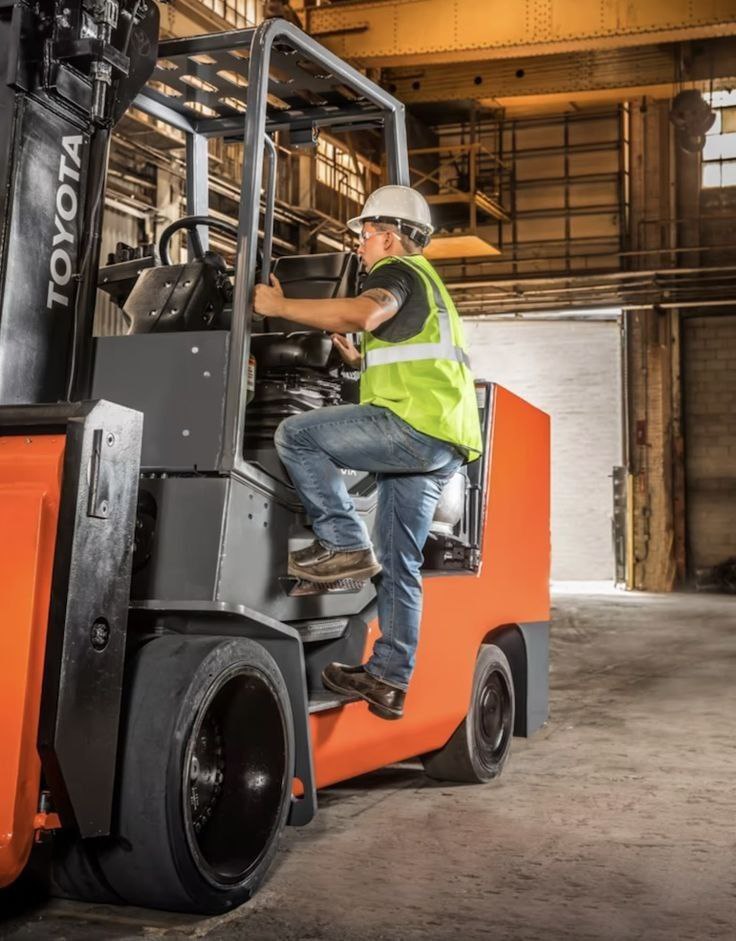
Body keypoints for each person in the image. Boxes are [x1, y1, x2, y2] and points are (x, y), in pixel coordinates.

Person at [253, 185, 482, 720]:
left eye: (364, 235)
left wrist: (279, 307)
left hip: (414, 427)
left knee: (296, 435)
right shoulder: (430, 285)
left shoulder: (397, 272)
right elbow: (407, 354)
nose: (359, 246)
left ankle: (342, 544)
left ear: (388, 235)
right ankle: (388, 678)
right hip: (442, 440)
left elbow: (365, 313)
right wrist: (358, 360)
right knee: (398, 565)